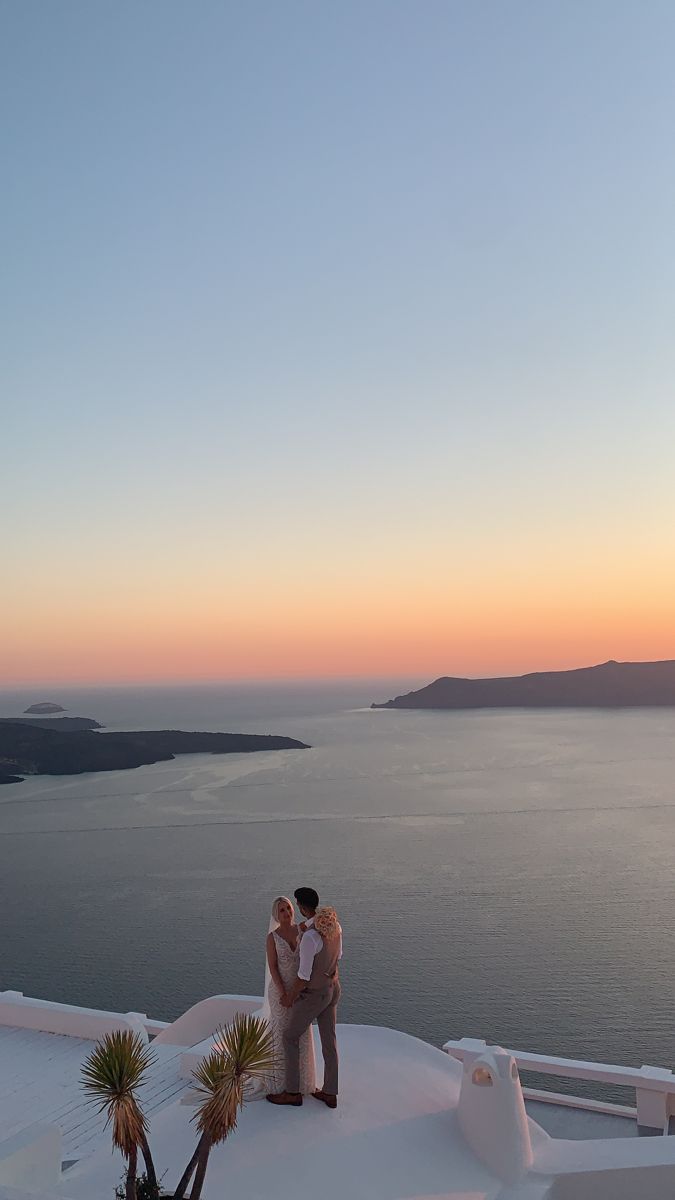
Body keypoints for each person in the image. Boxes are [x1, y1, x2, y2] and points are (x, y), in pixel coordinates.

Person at [267, 886, 342, 1109]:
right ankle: (330, 1092)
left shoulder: (309, 938)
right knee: (329, 1041)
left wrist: (290, 998)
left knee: (290, 1037)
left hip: (315, 995)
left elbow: (303, 977)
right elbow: (338, 956)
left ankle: (292, 1092)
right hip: (333, 988)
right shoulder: (334, 925)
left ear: (299, 906)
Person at [262, 896, 316, 1095]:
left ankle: (301, 1083)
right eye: (282, 910)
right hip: (280, 992)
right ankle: (280, 1083)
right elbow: (273, 967)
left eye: (288, 908)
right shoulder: (272, 938)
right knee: (281, 1033)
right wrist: (283, 993)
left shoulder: (303, 931)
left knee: (301, 1033)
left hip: (300, 992)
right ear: (276, 915)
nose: (286, 913)